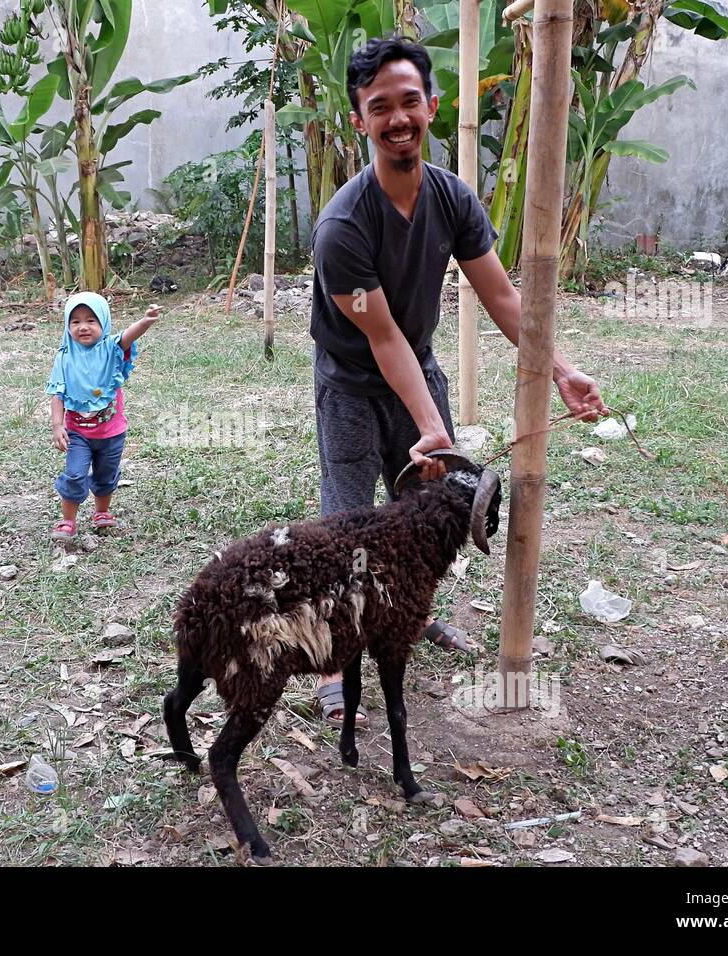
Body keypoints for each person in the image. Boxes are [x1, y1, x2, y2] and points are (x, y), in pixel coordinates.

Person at [309, 36, 608, 727]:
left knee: (427, 513)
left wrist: (562, 369)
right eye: (378, 106)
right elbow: (378, 338)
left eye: (408, 100)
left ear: (432, 107)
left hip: (419, 363)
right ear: (361, 122)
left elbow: (503, 297)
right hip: (351, 385)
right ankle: (331, 661)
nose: (397, 117)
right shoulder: (341, 229)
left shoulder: (453, 198)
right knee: (346, 522)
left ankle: (414, 619)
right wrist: (434, 426)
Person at [45, 292, 159, 541]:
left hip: (112, 433)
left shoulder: (111, 349)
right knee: (74, 474)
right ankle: (67, 520)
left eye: (91, 320)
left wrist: (145, 321)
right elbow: (57, 393)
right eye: (75, 322)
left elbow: (128, 336)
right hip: (78, 433)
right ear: (67, 325)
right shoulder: (64, 357)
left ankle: (102, 512)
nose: (83, 327)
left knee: (105, 474)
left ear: (104, 323)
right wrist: (57, 425)